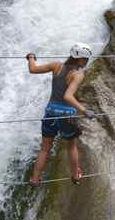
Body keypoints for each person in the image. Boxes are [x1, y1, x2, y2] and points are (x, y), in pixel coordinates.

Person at [27, 43, 97, 185]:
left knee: (45, 148)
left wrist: (31, 57)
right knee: (71, 146)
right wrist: (85, 111)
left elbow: (33, 69)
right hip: (66, 115)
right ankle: (76, 175)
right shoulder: (77, 75)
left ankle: (34, 179)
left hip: (50, 112)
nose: (86, 62)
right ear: (81, 60)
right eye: (86, 59)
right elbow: (68, 97)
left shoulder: (55, 66)